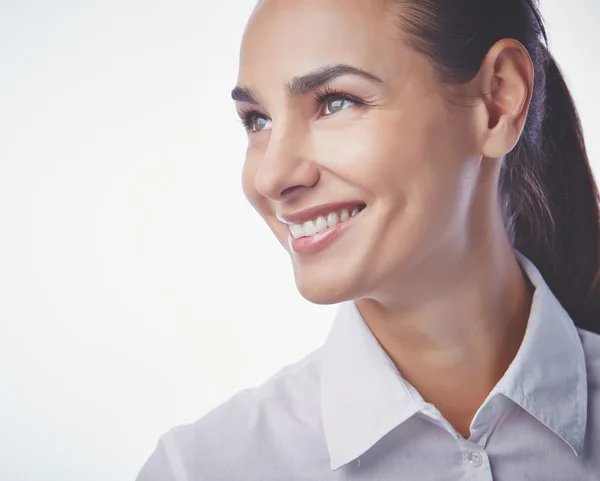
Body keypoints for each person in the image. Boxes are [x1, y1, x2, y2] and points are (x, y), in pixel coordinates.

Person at [136, 0, 600, 479]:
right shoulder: (200, 468)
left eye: (335, 101)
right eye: (258, 120)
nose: (271, 176)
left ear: (497, 100)